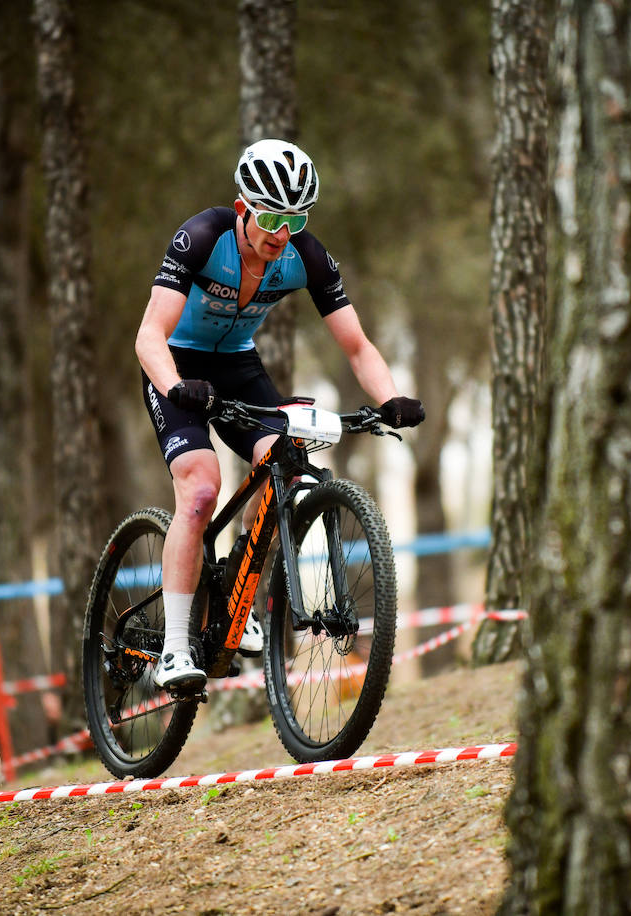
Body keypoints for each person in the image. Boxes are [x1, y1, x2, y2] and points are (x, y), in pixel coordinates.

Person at [136, 139, 424, 690]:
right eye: (269, 216)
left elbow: (358, 346)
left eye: (293, 219)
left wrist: (391, 398)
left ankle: (239, 601)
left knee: (282, 464)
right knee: (200, 490)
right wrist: (176, 387)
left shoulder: (305, 256)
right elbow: (148, 336)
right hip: (175, 364)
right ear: (242, 207)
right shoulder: (202, 237)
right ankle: (174, 647)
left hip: (238, 364)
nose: (279, 232)